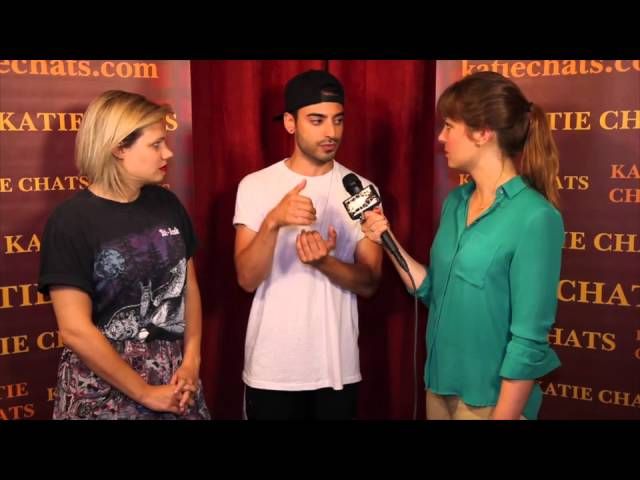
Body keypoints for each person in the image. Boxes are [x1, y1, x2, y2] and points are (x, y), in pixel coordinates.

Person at [362, 71, 563, 420]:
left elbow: (529, 341)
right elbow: (433, 290)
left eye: (449, 126)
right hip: (438, 390)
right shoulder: (456, 201)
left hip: (490, 402)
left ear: (483, 133)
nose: (441, 137)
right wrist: (386, 239)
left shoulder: (536, 217)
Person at [38, 90, 210, 420]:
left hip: (175, 382)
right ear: (118, 148)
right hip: (101, 388)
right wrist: (145, 392)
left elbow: (188, 288)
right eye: (156, 144)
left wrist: (191, 362)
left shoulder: (167, 204)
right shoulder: (71, 221)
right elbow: (74, 328)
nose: (168, 152)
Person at [233, 70, 383, 420]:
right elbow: (247, 279)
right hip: (272, 372)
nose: (331, 132)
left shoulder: (360, 190)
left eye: (338, 120)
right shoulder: (255, 185)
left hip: (337, 371)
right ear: (290, 123)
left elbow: (370, 283)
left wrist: (324, 263)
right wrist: (274, 221)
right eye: (317, 120)